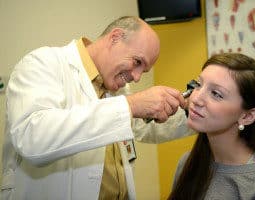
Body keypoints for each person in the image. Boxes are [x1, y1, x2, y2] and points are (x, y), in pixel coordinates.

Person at [1, 16, 194, 200]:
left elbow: (143, 127)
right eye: (137, 62)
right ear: (115, 37)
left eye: (143, 71)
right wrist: (131, 105)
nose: (137, 77)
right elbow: (33, 137)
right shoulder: (43, 63)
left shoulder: (114, 88)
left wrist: (193, 111)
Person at [168, 53, 255, 200]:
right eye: (198, 84)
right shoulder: (187, 164)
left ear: (247, 116)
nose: (196, 98)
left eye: (216, 94)